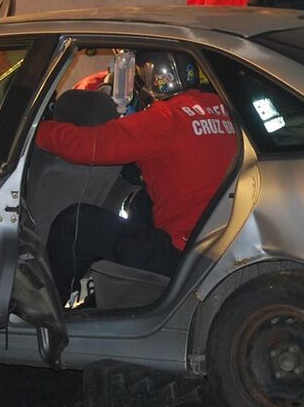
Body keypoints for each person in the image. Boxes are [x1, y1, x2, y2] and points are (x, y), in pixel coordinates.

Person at [36, 50, 238, 305]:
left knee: (74, 224)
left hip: (180, 255)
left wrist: (39, 129)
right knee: (140, 201)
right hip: (217, 245)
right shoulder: (222, 109)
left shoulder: (164, 119)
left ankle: (50, 312)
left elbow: (91, 146)